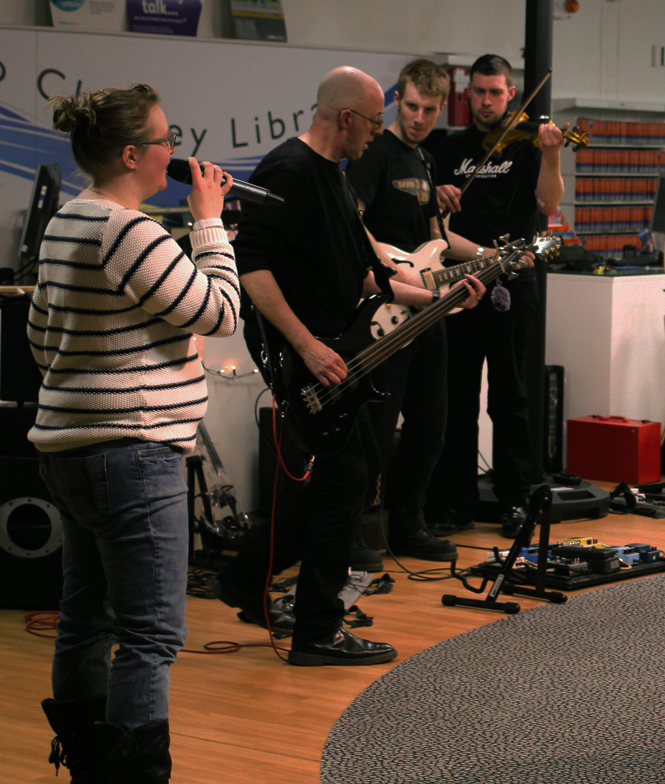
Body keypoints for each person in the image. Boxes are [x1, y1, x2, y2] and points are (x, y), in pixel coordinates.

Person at [214, 67, 479, 666]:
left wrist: (436, 295)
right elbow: (252, 267)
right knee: (346, 482)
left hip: (342, 354)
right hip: (314, 358)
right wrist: (306, 345)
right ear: (345, 118)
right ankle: (317, 631)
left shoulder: (331, 178)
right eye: (374, 121)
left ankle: (249, 579)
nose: (377, 134)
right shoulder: (289, 171)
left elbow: (363, 271)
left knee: (344, 478)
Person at [30, 84, 239, 781]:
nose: (175, 150)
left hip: (71, 450)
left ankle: (90, 767)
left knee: (84, 618)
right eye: (165, 138)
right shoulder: (128, 230)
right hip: (134, 454)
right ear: (132, 154)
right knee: (149, 635)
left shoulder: (69, 220)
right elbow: (218, 314)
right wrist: (208, 224)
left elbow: (41, 337)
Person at [344, 58, 521, 563]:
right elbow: (353, 224)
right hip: (387, 305)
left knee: (430, 425)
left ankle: (409, 525)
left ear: (443, 106)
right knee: (377, 431)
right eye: (412, 106)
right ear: (398, 99)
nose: (419, 117)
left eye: (430, 109)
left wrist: (489, 259)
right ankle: (354, 533)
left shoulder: (424, 160)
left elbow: (435, 243)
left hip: (430, 310)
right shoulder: (376, 152)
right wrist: (393, 275)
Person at [428, 53, 565, 539]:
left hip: (512, 284)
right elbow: (435, 223)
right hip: (459, 284)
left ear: (511, 94)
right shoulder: (447, 147)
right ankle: (454, 503)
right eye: (479, 92)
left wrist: (551, 154)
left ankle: (516, 500)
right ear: (468, 93)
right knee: (457, 398)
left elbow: (549, 204)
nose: (486, 101)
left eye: (495, 92)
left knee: (511, 397)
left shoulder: (528, 147)